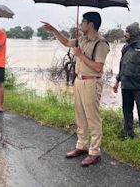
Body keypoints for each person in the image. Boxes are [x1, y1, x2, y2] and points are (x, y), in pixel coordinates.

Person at [42, 12, 110, 167]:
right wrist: (53, 30)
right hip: (79, 80)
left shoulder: (101, 43)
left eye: (83, 22)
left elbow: (98, 67)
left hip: (92, 82)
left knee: (92, 117)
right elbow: (66, 42)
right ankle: (82, 145)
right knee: (80, 114)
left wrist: (80, 55)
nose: (81, 25)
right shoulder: (82, 39)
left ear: (91, 24)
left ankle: (94, 151)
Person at [113, 22, 140, 144]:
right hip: (126, 84)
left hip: (139, 86)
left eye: (127, 31)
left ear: (133, 33)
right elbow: (122, 65)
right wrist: (117, 81)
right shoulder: (125, 47)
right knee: (126, 110)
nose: (125, 34)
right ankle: (128, 134)